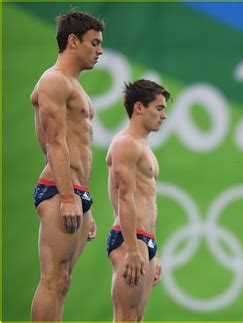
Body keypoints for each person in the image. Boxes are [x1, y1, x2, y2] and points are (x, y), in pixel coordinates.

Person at [30, 10, 104, 321]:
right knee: (52, 279)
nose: (100, 51)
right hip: (61, 191)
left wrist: (84, 202)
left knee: (64, 282)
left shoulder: (74, 85)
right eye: (94, 43)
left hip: (74, 189)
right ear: (72, 41)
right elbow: (54, 144)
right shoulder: (54, 81)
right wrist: (69, 198)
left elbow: (68, 145)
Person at [106, 79, 170, 321]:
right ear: (139, 108)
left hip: (145, 240)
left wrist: (154, 251)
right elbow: (124, 197)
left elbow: (147, 201)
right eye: (159, 108)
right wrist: (132, 248)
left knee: (135, 319)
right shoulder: (125, 143)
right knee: (125, 317)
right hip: (129, 239)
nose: (163, 115)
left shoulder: (143, 145)